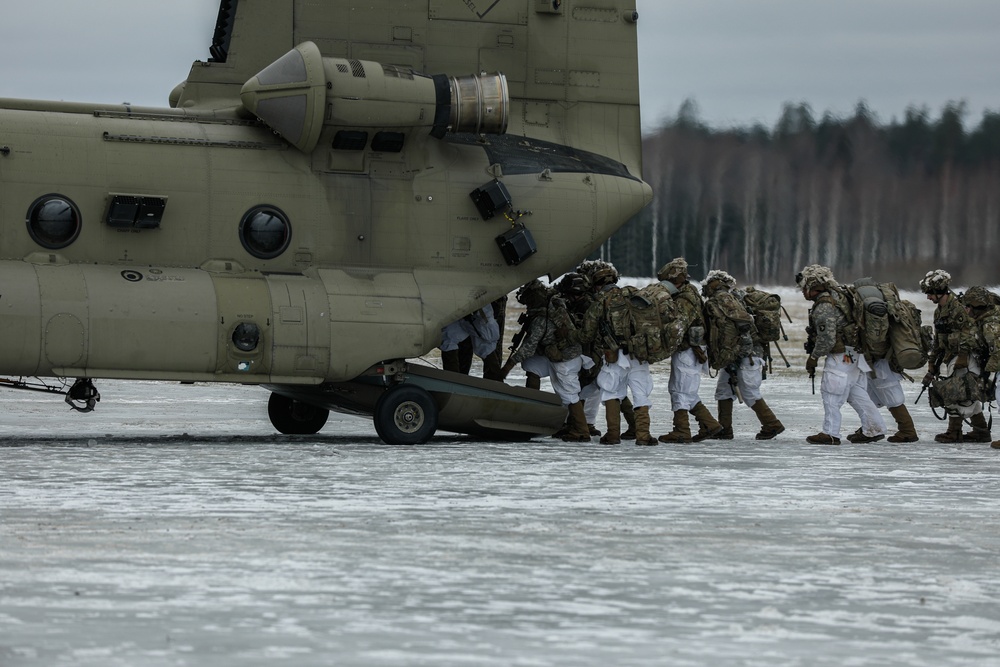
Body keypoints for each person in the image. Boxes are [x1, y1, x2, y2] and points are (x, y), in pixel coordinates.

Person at [799, 264, 887, 445]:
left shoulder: (824, 305)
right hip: (854, 354)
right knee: (855, 393)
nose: (802, 291)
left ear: (813, 287)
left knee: (832, 393)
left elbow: (827, 338)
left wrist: (814, 357)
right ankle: (874, 428)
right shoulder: (840, 295)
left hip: (840, 356)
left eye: (804, 287)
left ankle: (830, 433)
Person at [500, 279, 591, 442]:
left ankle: (582, 431)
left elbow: (529, 345)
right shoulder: (551, 308)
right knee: (531, 366)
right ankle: (534, 406)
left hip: (566, 358)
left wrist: (507, 367)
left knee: (569, 394)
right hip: (560, 356)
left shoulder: (542, 317)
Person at [578, 262, 657, 445]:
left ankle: (613, 435)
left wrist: (570, 335)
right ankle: (643, 435)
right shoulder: (633, 293)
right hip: (639, 353)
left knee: (611, 391)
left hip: (614, 356)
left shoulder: (599, 302)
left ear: (597, 284)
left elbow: (586, 334)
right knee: (640, 392)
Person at [701, 270, 785, 440]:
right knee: (724, 390)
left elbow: (744, 322)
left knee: (749, 391)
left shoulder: (725, 298)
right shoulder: (730, 297)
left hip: (747, 353)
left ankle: (772, 424)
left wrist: (742, 352)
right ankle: (725, 429)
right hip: (735, 353)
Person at [656, 258, 723, 443]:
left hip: (688, 350)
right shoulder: (690, 293)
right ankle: (709, 424)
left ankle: (681, 430)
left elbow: (679, 326)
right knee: (688, 391)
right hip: (693, 350)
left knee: (678, 390)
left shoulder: (684, 298)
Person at [920, 270, 991, 442]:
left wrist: (963, 356)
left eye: (930, 293)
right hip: (951, 356)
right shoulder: (940, 311)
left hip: (965, 357)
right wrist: (932, 362)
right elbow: (939, 339)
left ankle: (954, 431)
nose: (928, 297)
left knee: (956, 392)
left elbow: (969, 331)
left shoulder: (959, 308)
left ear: (939, 291)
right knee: (965, 393)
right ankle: (981, 431)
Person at [439, 305, 502, 380]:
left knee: (486, 339)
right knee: (449, 339)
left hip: (476, 306)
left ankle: (495, 383)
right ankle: (453, 383)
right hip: (453, 306)